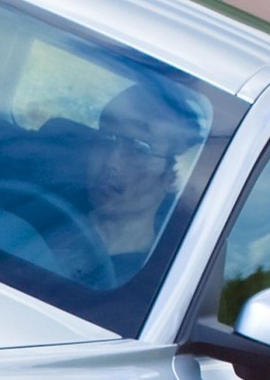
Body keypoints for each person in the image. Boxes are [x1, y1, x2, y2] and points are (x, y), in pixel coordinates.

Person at [84, 80, 204, 281]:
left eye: (140, 148)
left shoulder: (160, 283)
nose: (112, 162)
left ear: (174, 176)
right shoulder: (38, 211)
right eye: (108, 138)